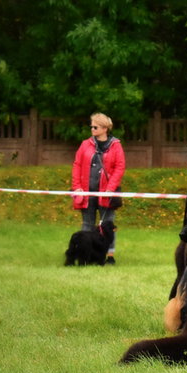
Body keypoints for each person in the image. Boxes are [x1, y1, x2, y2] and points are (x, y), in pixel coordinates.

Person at [72, 113, 126, 264]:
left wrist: (110, 188)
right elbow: (77, 165)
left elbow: (119, 168)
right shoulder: (85, 144)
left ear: (104, 128)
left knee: (107, 226)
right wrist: (77, 187)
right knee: (87, 225)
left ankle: (109, 256)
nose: (92, 129)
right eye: (91, 126)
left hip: (106, 193)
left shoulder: (116, 145)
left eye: (95, 126)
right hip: (87, 192)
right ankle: (84, 254)